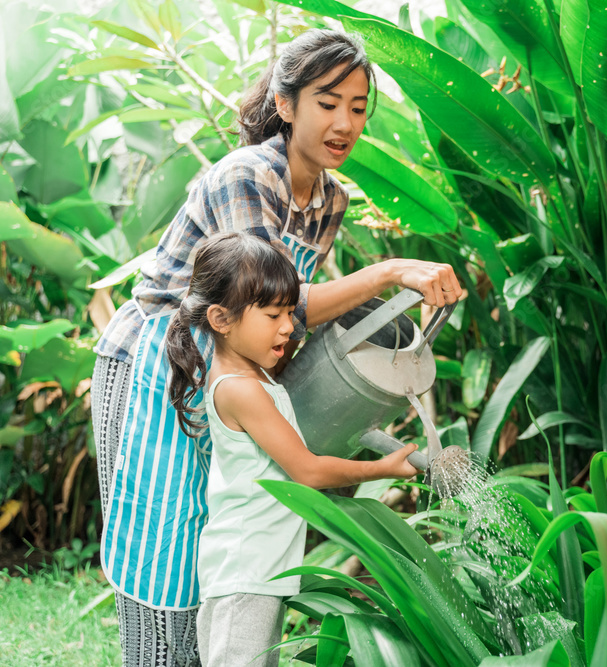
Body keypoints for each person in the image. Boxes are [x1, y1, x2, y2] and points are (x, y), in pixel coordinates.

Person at [90, 29, 461, 667]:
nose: (345, 123)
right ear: (286, 105)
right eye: (328, 103)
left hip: (226, 373)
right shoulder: (247, 175)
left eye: (358, 107)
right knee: (163, 539)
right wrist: (389, 271)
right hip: (158, 363)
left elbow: (285, 312)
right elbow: (255, 302)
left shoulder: (331, 199)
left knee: (214, 533)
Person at [164, 232, 420, 666]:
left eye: (289, 311)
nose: (288, 325)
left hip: (260, 570)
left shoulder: (255, 374)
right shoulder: (240, 388)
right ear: (221, 319)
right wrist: (383, 468)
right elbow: (308, 471)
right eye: (273, 315)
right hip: (243, 572)